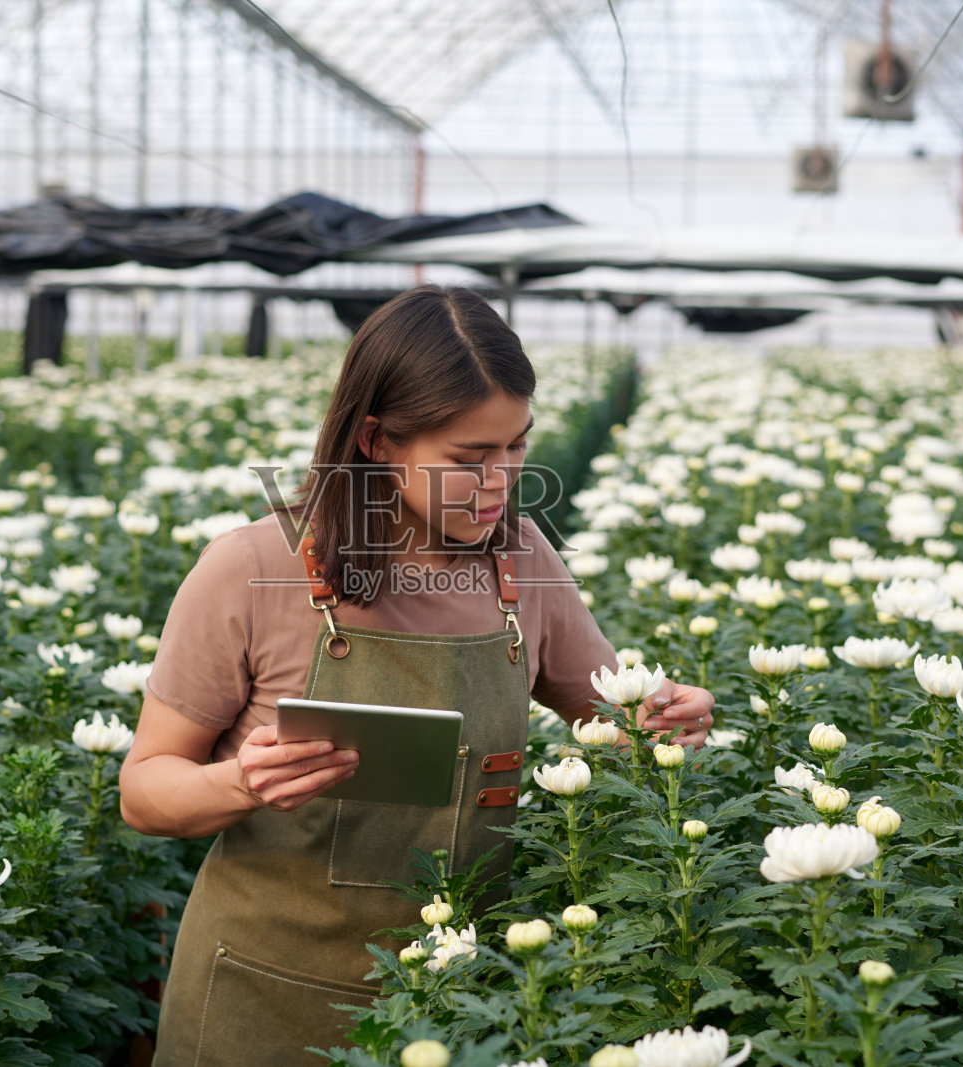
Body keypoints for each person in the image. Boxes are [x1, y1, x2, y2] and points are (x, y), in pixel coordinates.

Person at [118, 283, 716, 1066]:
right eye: (469, 457)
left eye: (516, 447)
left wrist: (665, 715)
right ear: (376, 439)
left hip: (456, 1000)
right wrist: (242, 782)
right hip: (264, 991)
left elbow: (612, 712)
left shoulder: (521, 562)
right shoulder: (251, 569)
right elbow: (144, 789)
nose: (500, 479)